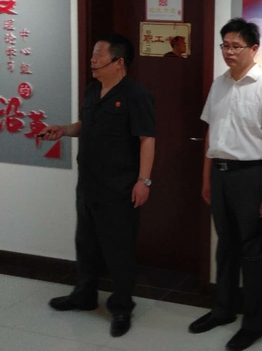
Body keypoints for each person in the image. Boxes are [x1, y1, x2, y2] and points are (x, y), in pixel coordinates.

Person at [41, 34, 155, 338]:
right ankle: (84, 295)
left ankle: (122, 306)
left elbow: (147, 139)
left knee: (119, 249)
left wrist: (143, 180)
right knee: (86, 243)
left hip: (120, 188)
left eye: (98, 55)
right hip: (88, 184)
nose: (92, 60)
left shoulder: (136, 95)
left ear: (118, 62)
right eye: (92, 55)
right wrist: (64, 130)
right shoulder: (92, 90)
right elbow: (85, 125)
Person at [189, 18, 262, 351]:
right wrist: (206, 177)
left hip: (251, 176)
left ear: (253, 49)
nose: (228, 52)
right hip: (220, 174)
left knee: (254, 252)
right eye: (225, 46)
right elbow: (210, 134)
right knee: (225, 246)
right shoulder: (219, 85)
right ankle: (223, 309)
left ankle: (255, 323)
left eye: (235, 46)